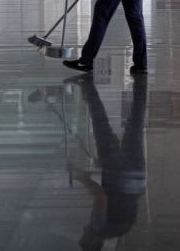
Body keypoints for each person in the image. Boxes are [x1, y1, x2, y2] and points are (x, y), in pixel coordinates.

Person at [65, 74, 147, 250]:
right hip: (119, 176)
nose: (83, 230)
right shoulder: (99, 227)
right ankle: (87, 84)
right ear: (94, 241)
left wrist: (104, 167)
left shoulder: (119, 230)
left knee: (136, 123)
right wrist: (81, 176)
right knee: (101, 125)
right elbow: (102, 197)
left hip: (137, 179)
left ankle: (142, 82)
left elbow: (121, 201)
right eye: (84, 235)